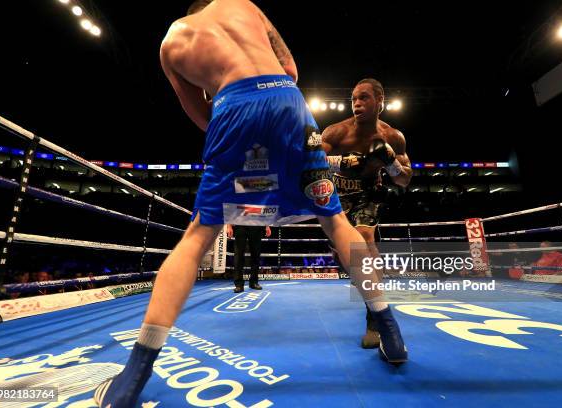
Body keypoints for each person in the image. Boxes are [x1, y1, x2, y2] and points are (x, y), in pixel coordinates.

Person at [94, 1, 407, 406]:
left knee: (197, 238)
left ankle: (133, 378)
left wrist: (227, 103)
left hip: (233, 110)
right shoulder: (242, 5)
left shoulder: (171, 43)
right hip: (289, 103)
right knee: (335, 221)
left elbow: (202, 117)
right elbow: (290, 70)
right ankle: (390, 331)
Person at [322, 78, 412, 349]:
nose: (357, 103)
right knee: (346, 258)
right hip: (337, 195)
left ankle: (376, 319)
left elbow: (405, 180)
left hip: (368, 194)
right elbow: (307, 163)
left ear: (380, 101)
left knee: (365, 238)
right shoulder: (337, 133)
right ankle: (369, 292)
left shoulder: (393, 137)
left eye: (364, 98)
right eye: (354, 99)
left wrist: (391, 162)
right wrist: (340, 162)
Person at [226, 224, 271, 292]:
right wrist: (229, 226)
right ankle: (239, 285)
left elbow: (263, 213)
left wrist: (267, 226)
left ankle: (254, 282)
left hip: (256, 225)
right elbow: (230, 212)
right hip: (240, 224)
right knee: (238, 255)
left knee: (256, 254)